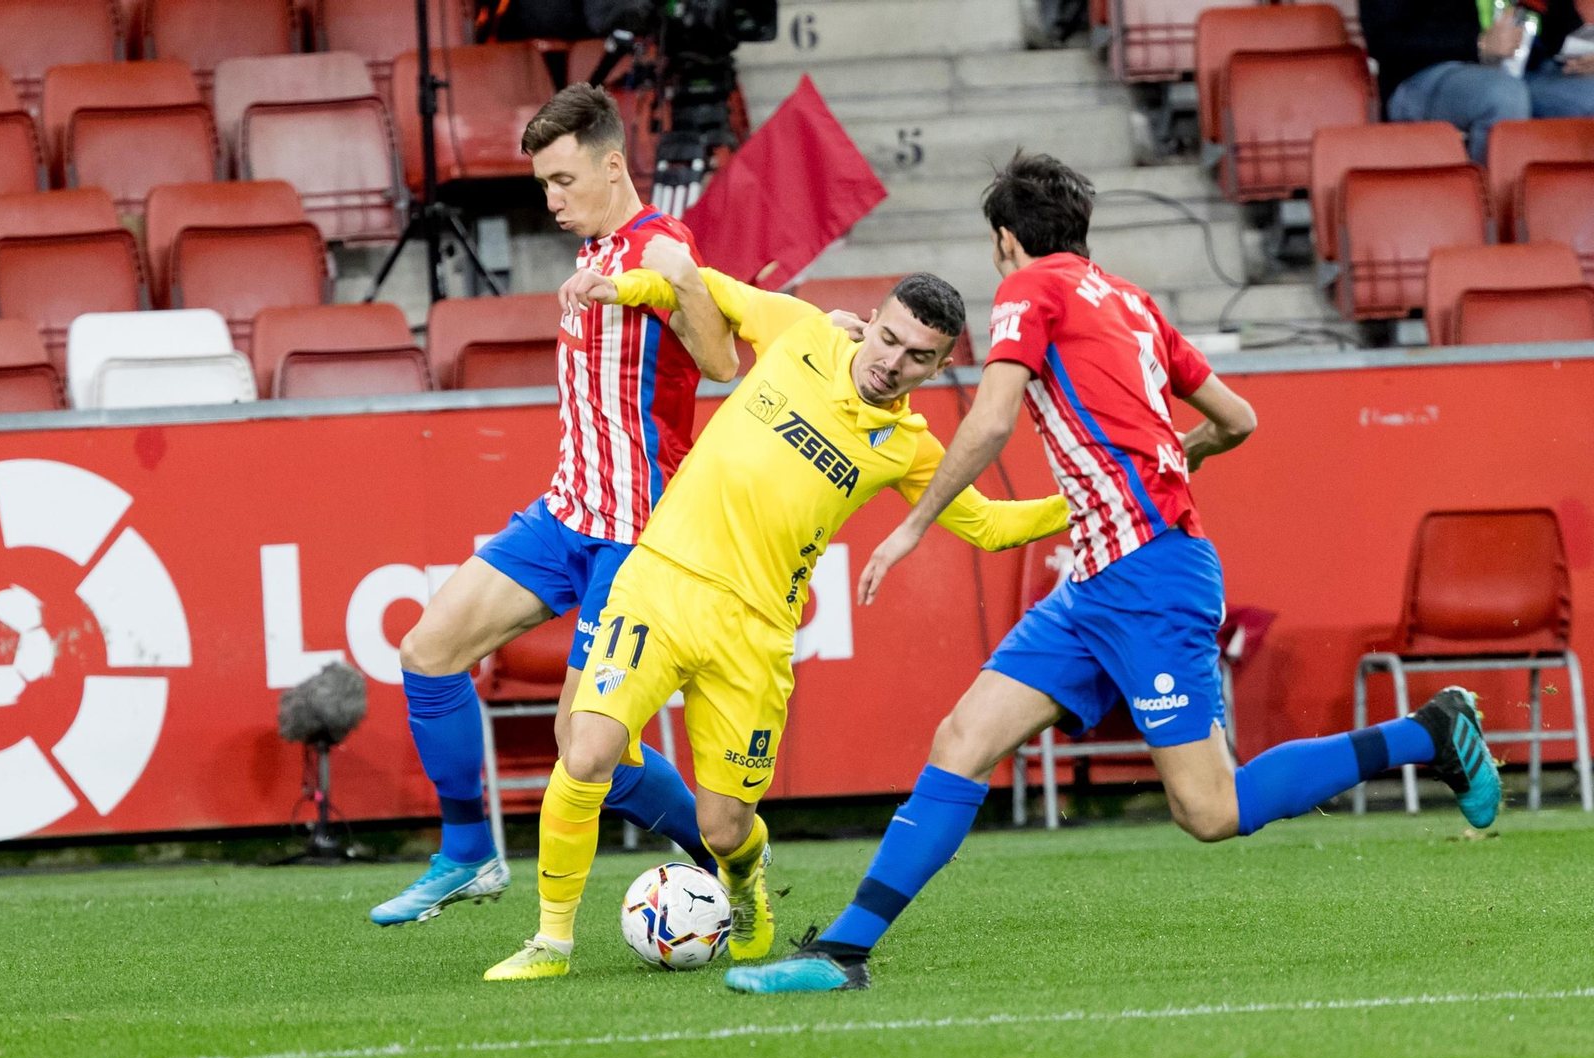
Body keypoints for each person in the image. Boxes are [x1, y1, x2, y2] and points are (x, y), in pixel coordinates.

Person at [721, 152, 1502, 994]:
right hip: (1099, 580)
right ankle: (844, 951)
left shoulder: (1030, 288)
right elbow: (1237, 419)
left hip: (1150, 576)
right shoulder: (1131, 301)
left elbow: (988, 423)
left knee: (1210, 810)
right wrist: (1175, 454)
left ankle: (1429, 731)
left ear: (1004, 241)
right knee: (963, 739)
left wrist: (912, 527)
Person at [480, 245, 1073, 980]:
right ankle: (551, 943)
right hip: (660, 583)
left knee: (723, 826)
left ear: (938, 365)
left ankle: (743, 880)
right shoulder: (803, 330)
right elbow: (707, 285)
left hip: (754, 636)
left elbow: (984, 523)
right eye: (888, 337)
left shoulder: (907, 448)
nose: (892, 361)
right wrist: (620, 284)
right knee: (588, 750)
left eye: (918, 356)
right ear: (873, 322)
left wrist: (1084, 497)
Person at [369, 84, 740, 926]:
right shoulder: (596, 247)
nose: (553, 200)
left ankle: (716, 850)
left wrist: (669, 284)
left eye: (565, 180)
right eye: (544, 184)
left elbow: (721, 362)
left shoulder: (660, 247)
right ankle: (468, 855)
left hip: (633, 535)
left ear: (614, 166)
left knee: (586, 747)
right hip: (565, 512)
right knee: (429, 652)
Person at [1363, 0, 1594, 164]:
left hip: (1525, 74)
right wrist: (1478, 44)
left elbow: (1563, 25)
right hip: (1426, 75)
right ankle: (1494, 215)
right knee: (1503, 95)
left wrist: (1583, 49)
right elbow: (1383, 39)